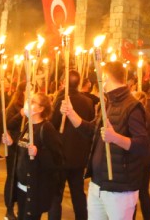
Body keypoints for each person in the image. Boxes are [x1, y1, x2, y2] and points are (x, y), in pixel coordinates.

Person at [61, 61, 150, 220]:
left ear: (105, 77)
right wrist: (71, 113)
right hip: (98, 184)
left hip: (119, 189)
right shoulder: (108, 103)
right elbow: (93, 131)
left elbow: (143, 145)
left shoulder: (132, 106)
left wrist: (116, 138)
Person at [3, 92, 63, 220]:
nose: (28, 103)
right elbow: (23, 151)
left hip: (35, 188)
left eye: (33, 102)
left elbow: (57, 160)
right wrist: (12, 143)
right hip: (21, 186)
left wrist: (39, 153)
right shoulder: (27, 125)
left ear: (41, 109)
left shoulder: (46, 128)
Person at [49, 70, 94, 220]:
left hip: (60, 155)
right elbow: (90, 127)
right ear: (79, 83)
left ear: (62, 83)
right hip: (79, 156)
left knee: (56, 195)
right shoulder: (88, 101)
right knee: (78, 193)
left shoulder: (61, 100)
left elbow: (52, 125)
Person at [133, 90, 150, 220]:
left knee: (133, 192)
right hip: (148, 156)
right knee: (144, 191)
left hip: (137, 157)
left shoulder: (135, 116)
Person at [3, 84, 25, 220]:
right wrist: (20, 114)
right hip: (14, 146)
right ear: (23, 91)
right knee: (12, 177)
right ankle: (9, 207)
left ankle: (21, 205)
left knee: (22, 177)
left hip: (25, 146)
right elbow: (8, 124)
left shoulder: (31, 106)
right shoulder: (14, 107)